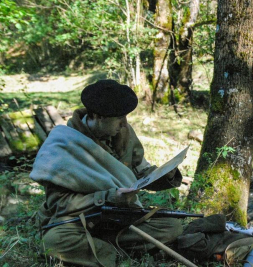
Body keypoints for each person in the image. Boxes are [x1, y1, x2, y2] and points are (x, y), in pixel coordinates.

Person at [30, 79, 183, 267]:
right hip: (81, 222)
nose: (125, 125)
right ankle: (115, 256)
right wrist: (108, 197)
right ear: (97, 116)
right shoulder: (64, 145)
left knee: (172, 226)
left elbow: (139, 171)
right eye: (119, 119)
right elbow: (59, 204)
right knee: (54, 242)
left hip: (121, 218)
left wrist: (165, 174)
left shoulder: (124, 134)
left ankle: (102, 250)